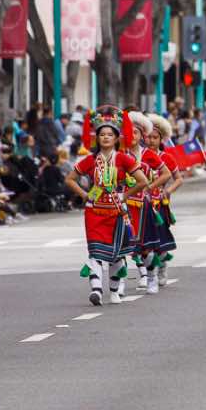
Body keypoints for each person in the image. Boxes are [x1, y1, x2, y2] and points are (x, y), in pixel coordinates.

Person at [65, 118, 140, 305]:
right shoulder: (90, 160)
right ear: (97, 138)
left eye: (110, 135)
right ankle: (96, 291)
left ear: (116, 139)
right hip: (94, 211)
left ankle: (114, 292)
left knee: (116, 255)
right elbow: (70, 179)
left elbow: (143, 181)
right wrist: (85, 195)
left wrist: (125, 196)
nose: (106, 137)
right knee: (95, 252)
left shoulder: (123, 159)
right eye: (102, 135)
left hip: (116, 211)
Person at [130, 115, 181, 293]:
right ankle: (145, 273)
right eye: (149, 137)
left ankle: (161, 268)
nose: (151, 140)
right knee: (140, 242)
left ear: (161, 139)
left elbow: (177, 178)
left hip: (158, 203)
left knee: (160, 241)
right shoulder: (133, 155)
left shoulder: (166, 157)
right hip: (137, 203)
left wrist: (167, 190)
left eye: (155, 137)